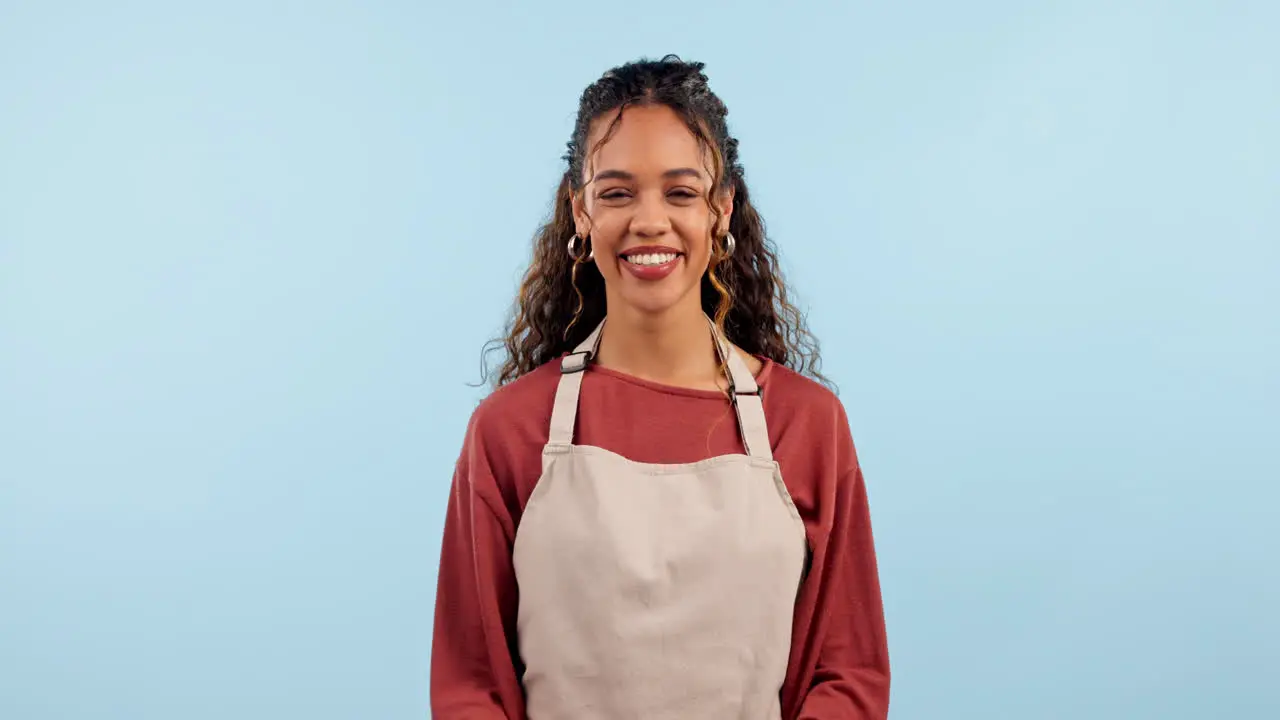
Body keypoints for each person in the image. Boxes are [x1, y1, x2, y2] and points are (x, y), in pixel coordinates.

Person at [431, 55, 890, 719]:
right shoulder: (508, 432)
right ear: (580, 212)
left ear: (721, 208)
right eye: (617, 193)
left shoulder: (807, 425)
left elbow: (845, 677)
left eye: (680, 192)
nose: (649, 221)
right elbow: (471, 688)